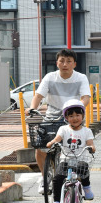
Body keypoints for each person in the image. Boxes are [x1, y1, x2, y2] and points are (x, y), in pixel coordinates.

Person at [28, 49, 91, 194]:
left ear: (74, 64)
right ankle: (45, 177)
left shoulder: (81, 78)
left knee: (77, 151)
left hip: (74, 116)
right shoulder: (50, 77)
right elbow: (38, 96)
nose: (65, 64)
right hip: (52, 117)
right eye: (62, 61)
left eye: (69, 61)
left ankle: (80, 181)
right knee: (40, 147)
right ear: (57, 63)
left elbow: (86, 98)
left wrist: (77, 107)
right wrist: (32, 108)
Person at [46, 99, 96, 203]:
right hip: (66, 159)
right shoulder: (63, 129)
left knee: (84, 168)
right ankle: (57, 202)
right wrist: (52, 143)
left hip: (80, 159)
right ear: (66, 118)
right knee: (57, 178)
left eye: (78, 115)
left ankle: (87, 188)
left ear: (82, 116)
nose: (75, 118)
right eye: (71, 116)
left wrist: (92, 147)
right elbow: (57, 138)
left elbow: (90, 143)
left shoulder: (87, 131)